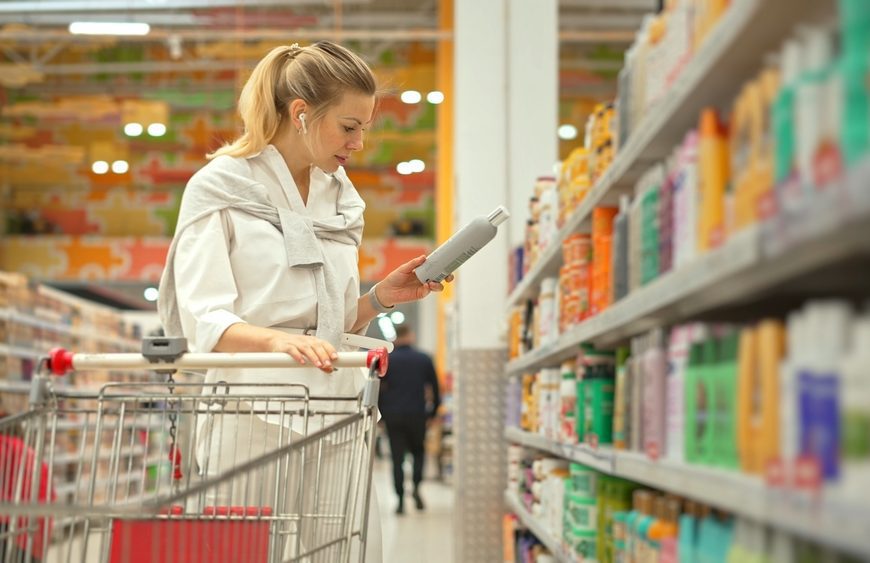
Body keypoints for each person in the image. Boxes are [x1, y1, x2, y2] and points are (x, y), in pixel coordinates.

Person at [157, 41, 452, 562]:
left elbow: (326, 323)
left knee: (340, 551)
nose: (359, 143)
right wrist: (276, 340)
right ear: (300, 114)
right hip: (252, 409)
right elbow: (204, 316)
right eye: (349, 126)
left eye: (365, 127)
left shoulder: (338, 198)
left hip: (337, 408)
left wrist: (380, 297)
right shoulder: (220, 188)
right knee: (242, 552)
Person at [378, 324, 441, 515]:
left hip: (393, 415)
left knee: (397, 459)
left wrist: (380, 414)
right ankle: (416, 489)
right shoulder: (423, 359)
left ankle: (399, 501)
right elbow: (435, 389)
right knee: (418, 453)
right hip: (417, 414)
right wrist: (432, 413)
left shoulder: (389, 359)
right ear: (411, 336)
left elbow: (379, 388)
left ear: (396, 337)